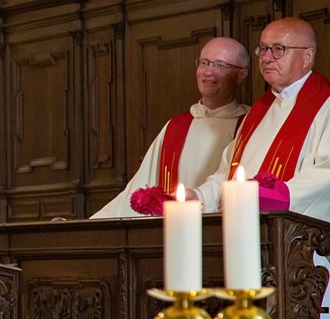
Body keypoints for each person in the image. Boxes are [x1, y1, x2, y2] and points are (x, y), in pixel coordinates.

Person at [92, 37, 250, 218]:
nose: (208, 71)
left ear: (241, 75)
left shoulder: (250, 124)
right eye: (204, 62)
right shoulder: (175, 127)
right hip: (174, 226)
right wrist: (93, 224)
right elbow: (139, 186)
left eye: (220, 65)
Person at [194, 17, 330, 217]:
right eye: (263, 49)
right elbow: (229, 174)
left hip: (294, 232)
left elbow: (326, 175)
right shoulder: (259, 111)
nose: (266, 58)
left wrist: (269, 197)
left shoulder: (325, 105)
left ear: (307, 56)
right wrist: (198, 197)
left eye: (278, 49)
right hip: (246, 225)